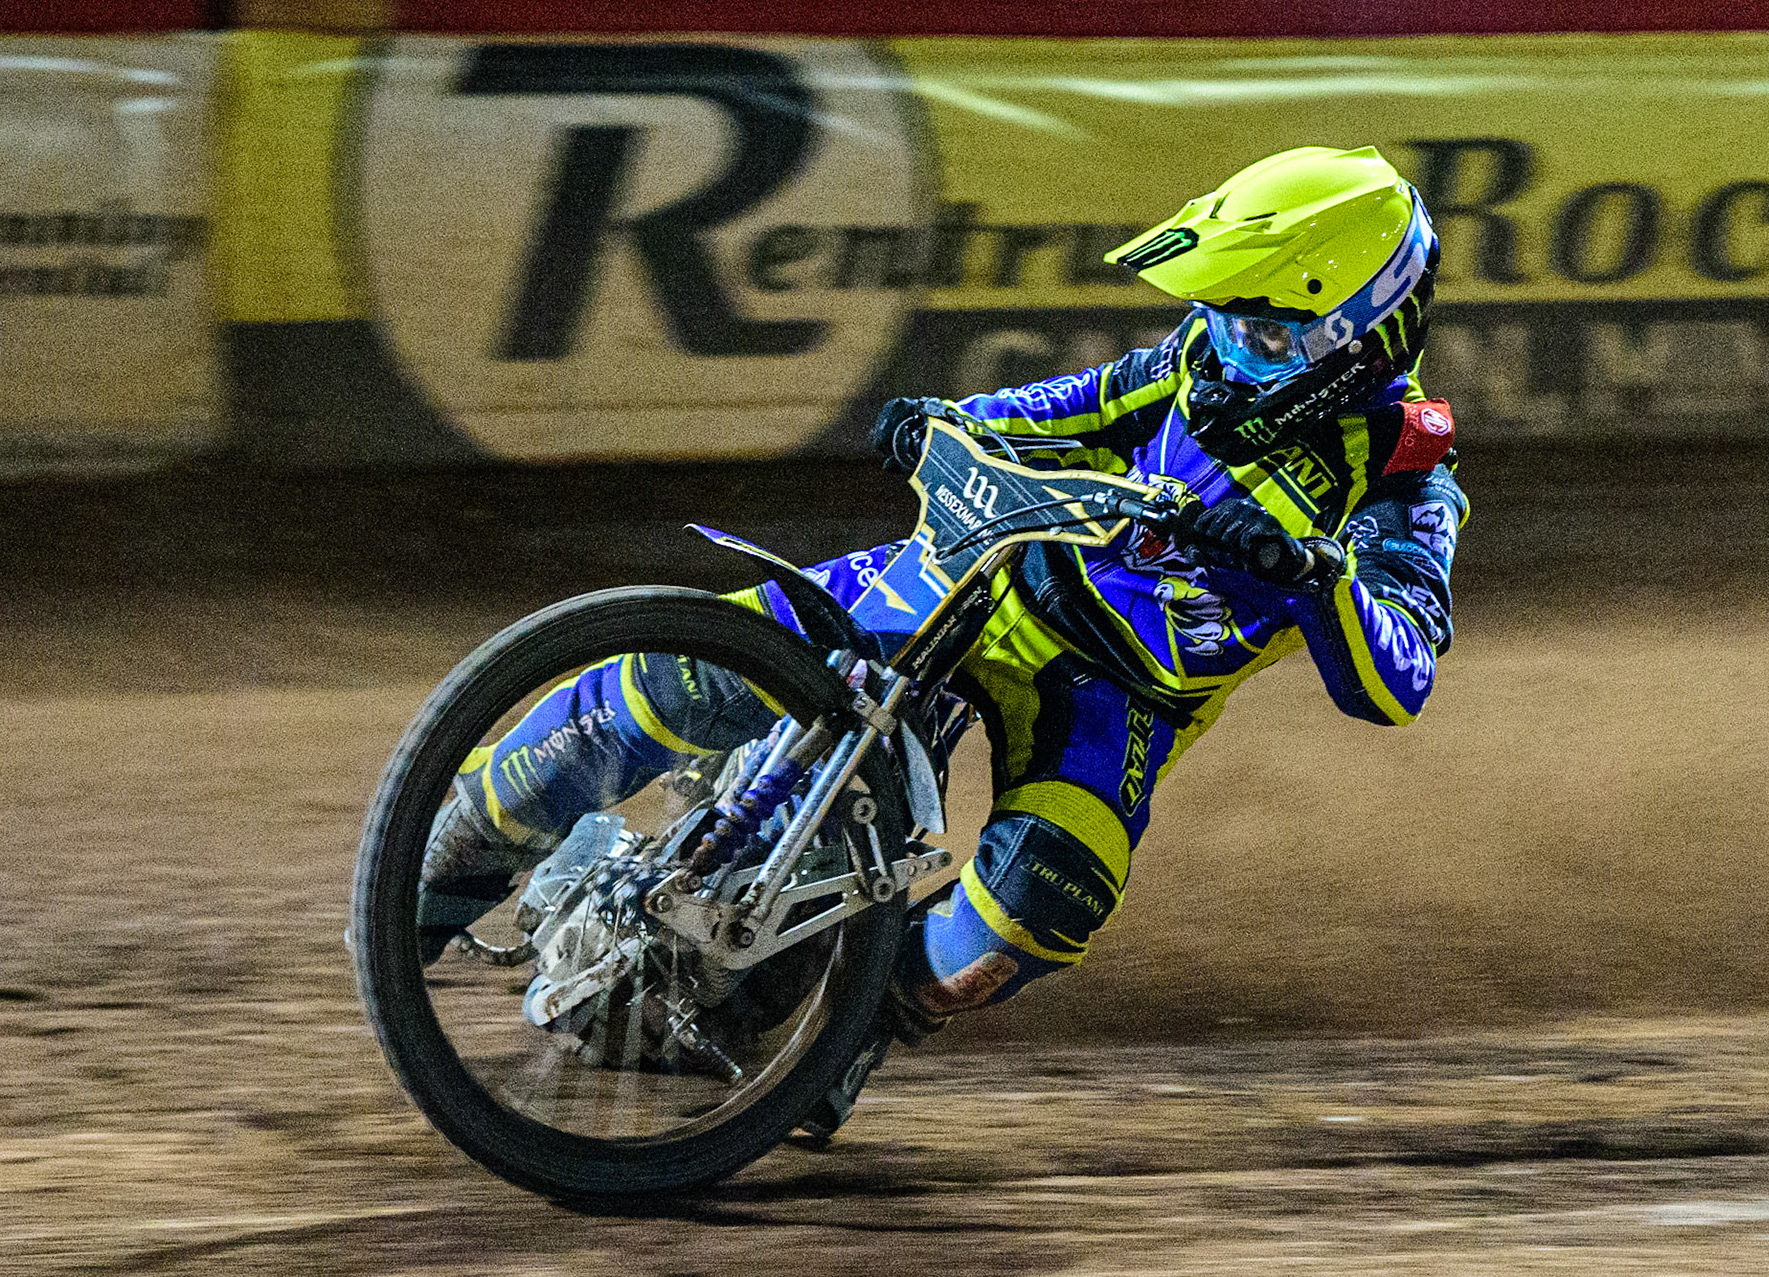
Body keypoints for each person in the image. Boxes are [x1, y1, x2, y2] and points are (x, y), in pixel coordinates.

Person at [415, 145, 1468, 1136]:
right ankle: (453, 847)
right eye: (1222, 316)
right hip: (987, 571)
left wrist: (1318, 576)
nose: (1230, 347)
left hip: (1115, 696)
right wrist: (947, 419)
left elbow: (1401, 676)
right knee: (686, 670)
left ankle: (853, 1020)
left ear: (1357, 340)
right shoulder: (1201, 358)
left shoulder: (1406, 484)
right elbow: (1073, 401)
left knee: (1039, 908)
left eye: (1266, 335)